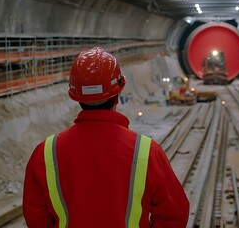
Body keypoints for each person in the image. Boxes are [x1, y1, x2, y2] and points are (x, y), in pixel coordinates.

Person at [23, 47, 189, 228]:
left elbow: (36, 218)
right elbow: (174, 215)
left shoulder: (46, 153)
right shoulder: (145, 152)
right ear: (117, 95)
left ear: (75, 96)